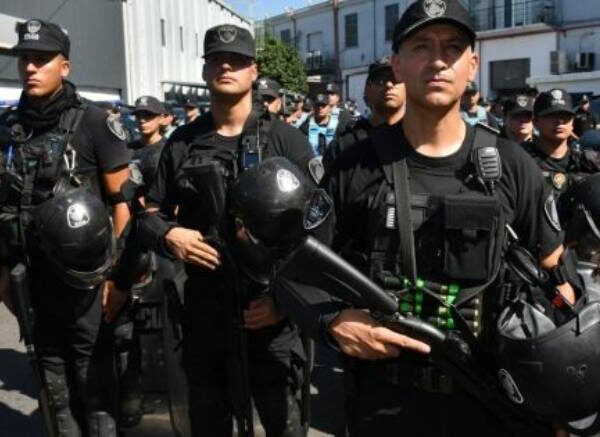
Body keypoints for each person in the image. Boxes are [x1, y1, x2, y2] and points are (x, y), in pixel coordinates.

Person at [274, 1, 576, 435]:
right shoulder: (354, 167)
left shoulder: (513, 166)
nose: (437, 59)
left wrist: (562, 400)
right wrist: (332, 322)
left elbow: (559, 285)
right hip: (383, 406)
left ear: (472, 64)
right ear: (397, 63)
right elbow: (292, 272)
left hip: (494, 407)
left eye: (452, 48)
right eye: (421, 46)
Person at [137, 24, 314, 436]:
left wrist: (285, 303)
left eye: (237, 61)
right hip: (205, 314)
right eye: (217, 59)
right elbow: (148, 214)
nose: (226, 66)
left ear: (254, 71)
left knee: (284, 426)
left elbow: (320, 232)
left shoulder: (287, 142)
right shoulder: (181, 144)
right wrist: (169, 235)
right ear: (204, 71)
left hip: (269, 316)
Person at [0, 19, 132, 436]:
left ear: (66, 66)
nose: (30, 69)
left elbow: (125, 203)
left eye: (42, 59)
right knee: (52, 387)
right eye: (25, 60)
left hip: (87, 284)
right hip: (31, 278)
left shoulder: (93, 123)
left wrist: (117, 274)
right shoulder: (7, 128)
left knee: (95, 389)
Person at [323, 57, 406, 171]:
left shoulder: (421, 140)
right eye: (380, 80)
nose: (389, 84)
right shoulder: (345, 144)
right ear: (367, 90)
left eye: (396, 79)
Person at [524, 88, 600, 203]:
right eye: (551, 115)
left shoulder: (587, 163)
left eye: (565, 116)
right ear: (535, 122)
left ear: (572, 123)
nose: (559, 121)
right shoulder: (521, 161)